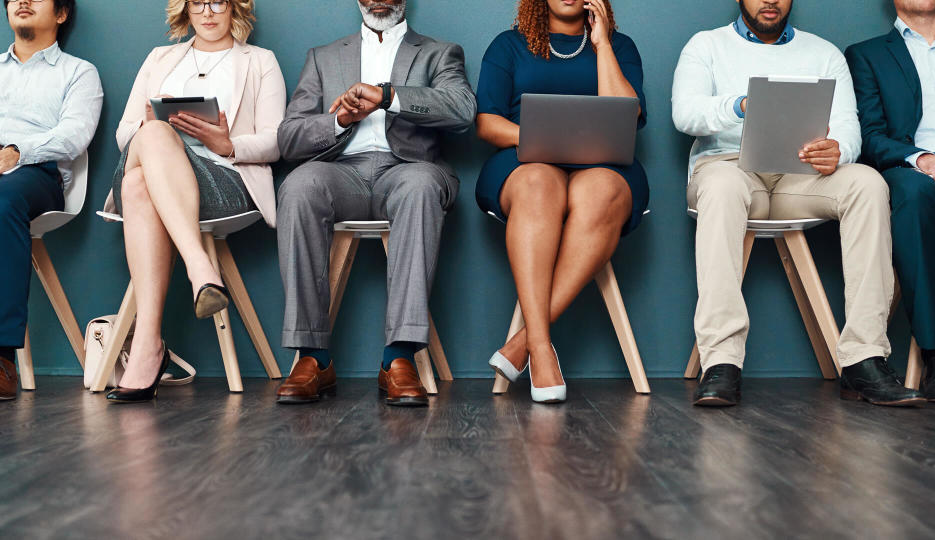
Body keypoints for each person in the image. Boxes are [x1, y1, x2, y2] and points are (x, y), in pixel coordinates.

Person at [673, 0, 924, 407]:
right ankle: (720, 362)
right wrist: (740, 105)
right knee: (720, 187)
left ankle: (864, 357)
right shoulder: (705, 46)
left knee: (868, 183)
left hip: (801, 174)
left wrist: (837, 151)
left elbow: (848, 127)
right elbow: (685, 114)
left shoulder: (823, 53)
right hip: (730, 169)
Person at [275, 0, 475, 407]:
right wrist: (339, 121)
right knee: (298, 187)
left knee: (420, 187)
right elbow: (288, 137)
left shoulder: (439, 52)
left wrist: (389, 96)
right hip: (340, 170)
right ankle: (311, 357)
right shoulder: (323, 57)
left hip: (408, 170)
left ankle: (398, 358)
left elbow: (463, 110)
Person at [102, 0, 285, 402]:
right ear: (184, 9)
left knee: (136, 188)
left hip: (222, 178)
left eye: (217, 1)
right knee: (149, 137)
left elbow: (276, 139)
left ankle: (149, 346)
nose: (207, 11)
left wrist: (227, 142)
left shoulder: (260, 61)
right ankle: (200, 268)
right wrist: (153, 127)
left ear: (234, 7)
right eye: (197, 2)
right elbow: (123, 134)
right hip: (153, 163)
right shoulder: (159, 58)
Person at [476, 0, 648, 404]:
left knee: (600, 190)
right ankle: (540, 349)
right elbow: (487, 121)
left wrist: (601, 43)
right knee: (540, 182)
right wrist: (540, 139)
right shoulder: (508, 45)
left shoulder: (621, 47)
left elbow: (627, 113)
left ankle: (527, 343)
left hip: (605, 166)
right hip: (525, 163)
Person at [846, 0, 935, 403]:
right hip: (913, 168)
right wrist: (925, 160)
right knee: (911, 196)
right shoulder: (867, 55)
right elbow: (870, 137)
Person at [0, 0, 102, 401]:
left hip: (35, 174)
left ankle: (3, 355)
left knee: (3, 198)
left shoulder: (78, 72)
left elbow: (74, 135)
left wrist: (15, 152)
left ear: (61, 14)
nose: (22, 1)